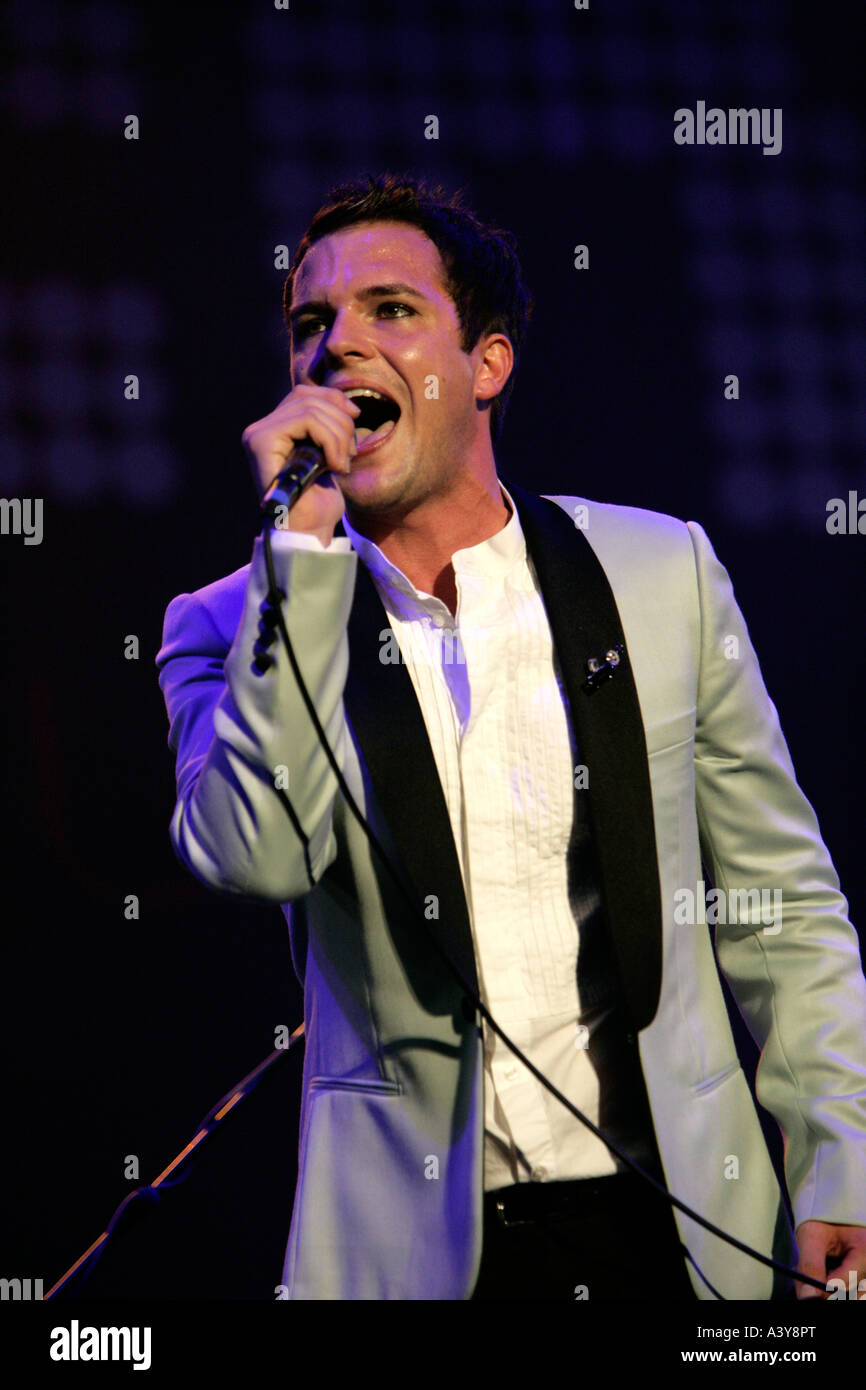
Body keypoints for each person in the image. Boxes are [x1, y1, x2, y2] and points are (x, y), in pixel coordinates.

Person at [155, 172, 866, 1301]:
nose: (337, 347)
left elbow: (776, 896)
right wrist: (295, 556)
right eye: (310, 325)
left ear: (486, 365)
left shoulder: (657, 572)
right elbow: (253, 855)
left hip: (680, 1232)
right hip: (417, 1258)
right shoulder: (231, 623)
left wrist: (839, 1155)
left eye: (389, 310)